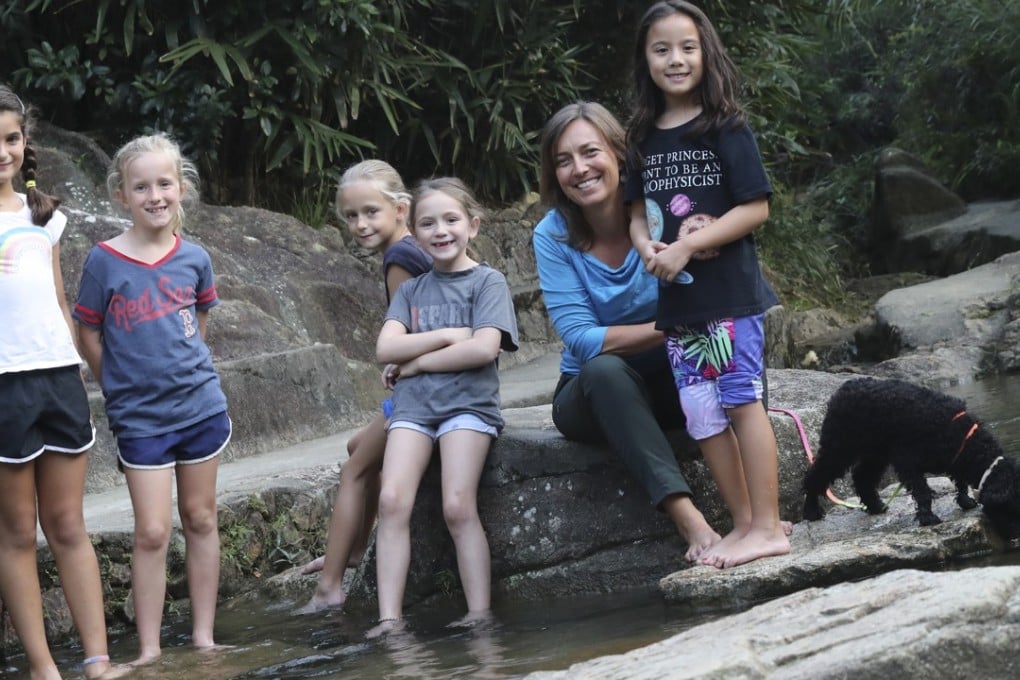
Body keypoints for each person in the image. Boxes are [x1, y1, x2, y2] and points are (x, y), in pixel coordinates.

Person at [625, 0, 790, 568]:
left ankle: (769, 525)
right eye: (662, 49)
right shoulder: (641, 136)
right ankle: (744, 523)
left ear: (706, 53)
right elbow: (635, 212)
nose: (676, 59)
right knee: (701, 413)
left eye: (687, 47)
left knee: (743, 401)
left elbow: (756, 208)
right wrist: (647, 245)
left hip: (729, 296)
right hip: (680, 302)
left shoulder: (725, 125)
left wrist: (692, 243)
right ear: (645, 59)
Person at [533, 100, 724, 565]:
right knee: (604, 369)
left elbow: (709, 300)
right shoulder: (552, 235)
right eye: (563, 161)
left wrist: (688, 327)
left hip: (672, 376)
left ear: (618, 153)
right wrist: (673, 325)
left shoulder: (662, 210)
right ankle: (689, 520)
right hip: (595, 392)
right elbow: (582, 340)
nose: (579, 169)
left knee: (721, 348)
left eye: (590, 152)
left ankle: (754, 514)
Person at [74, 133, 230, 664]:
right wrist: (115, 383)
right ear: (122, 195)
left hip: (201, 408)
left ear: (182, 188)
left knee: (201, 517)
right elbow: (88, 332)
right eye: (142, 186)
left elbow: (198, 321)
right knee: (152, 530)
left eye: (165, 183)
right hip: (140, 420)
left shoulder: (195, 258)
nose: (155, 195)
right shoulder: (103, 261)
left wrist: (186, 370)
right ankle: (148, 647)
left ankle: (205, 635)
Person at [0, 85, 123, 680]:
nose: (3, 151)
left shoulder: (42, 216)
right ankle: (43, 668)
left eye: (11, 138)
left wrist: (90, 371)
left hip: (58, 379)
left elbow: (59, 303)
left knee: (68, 524)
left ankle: (98, 660)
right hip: (4, 387)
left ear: (26, 143)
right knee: (18, 530)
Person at [371, 177, 518, 631]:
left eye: (451, 220)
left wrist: (415, 364)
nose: (441, 231)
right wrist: (447, 335)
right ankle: (390, 619)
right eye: (428, 223)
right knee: (392, 500)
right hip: (414, 411)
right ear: (413, 233)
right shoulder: (412, 291)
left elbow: (482, 349)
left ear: (472, 225)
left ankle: (478, 613)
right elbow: (384, 349)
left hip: (467, 408)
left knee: (457, 504)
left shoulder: (488, 281)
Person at [298, 160, 431, 613]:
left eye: (370, 212)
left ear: (400, 208)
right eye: (351, 215)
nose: (360, 224)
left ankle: (329, 587)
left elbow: (408, 336)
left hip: (427, 389)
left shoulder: (400, 258)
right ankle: (354, 552)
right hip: (428, 377)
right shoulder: (415, 247)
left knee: (352, 470)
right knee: (360, 447)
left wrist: (397, 365)